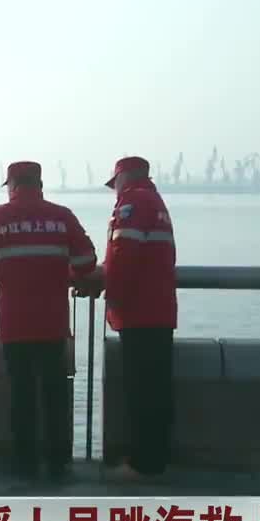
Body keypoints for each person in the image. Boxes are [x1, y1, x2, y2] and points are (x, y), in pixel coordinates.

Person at [0, 161, 98, 480]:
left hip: (15, 322)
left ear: (11, 186)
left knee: (21, 394)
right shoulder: (62, 216)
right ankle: (58, 462)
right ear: (39, 184)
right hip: (53, 322)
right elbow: (87, 261)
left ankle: (24, 463)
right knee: (55, 393)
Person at [89, 155, 178, 479]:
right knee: (156, 388)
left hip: (139, 310)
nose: (115, 191)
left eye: (115, 184)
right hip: (158, 308)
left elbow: (124, 255)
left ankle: (143, 465)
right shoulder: (154, 201)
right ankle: (155, 460)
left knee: (142, 391)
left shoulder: (132, 203)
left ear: (123, 178)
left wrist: (110, 292)